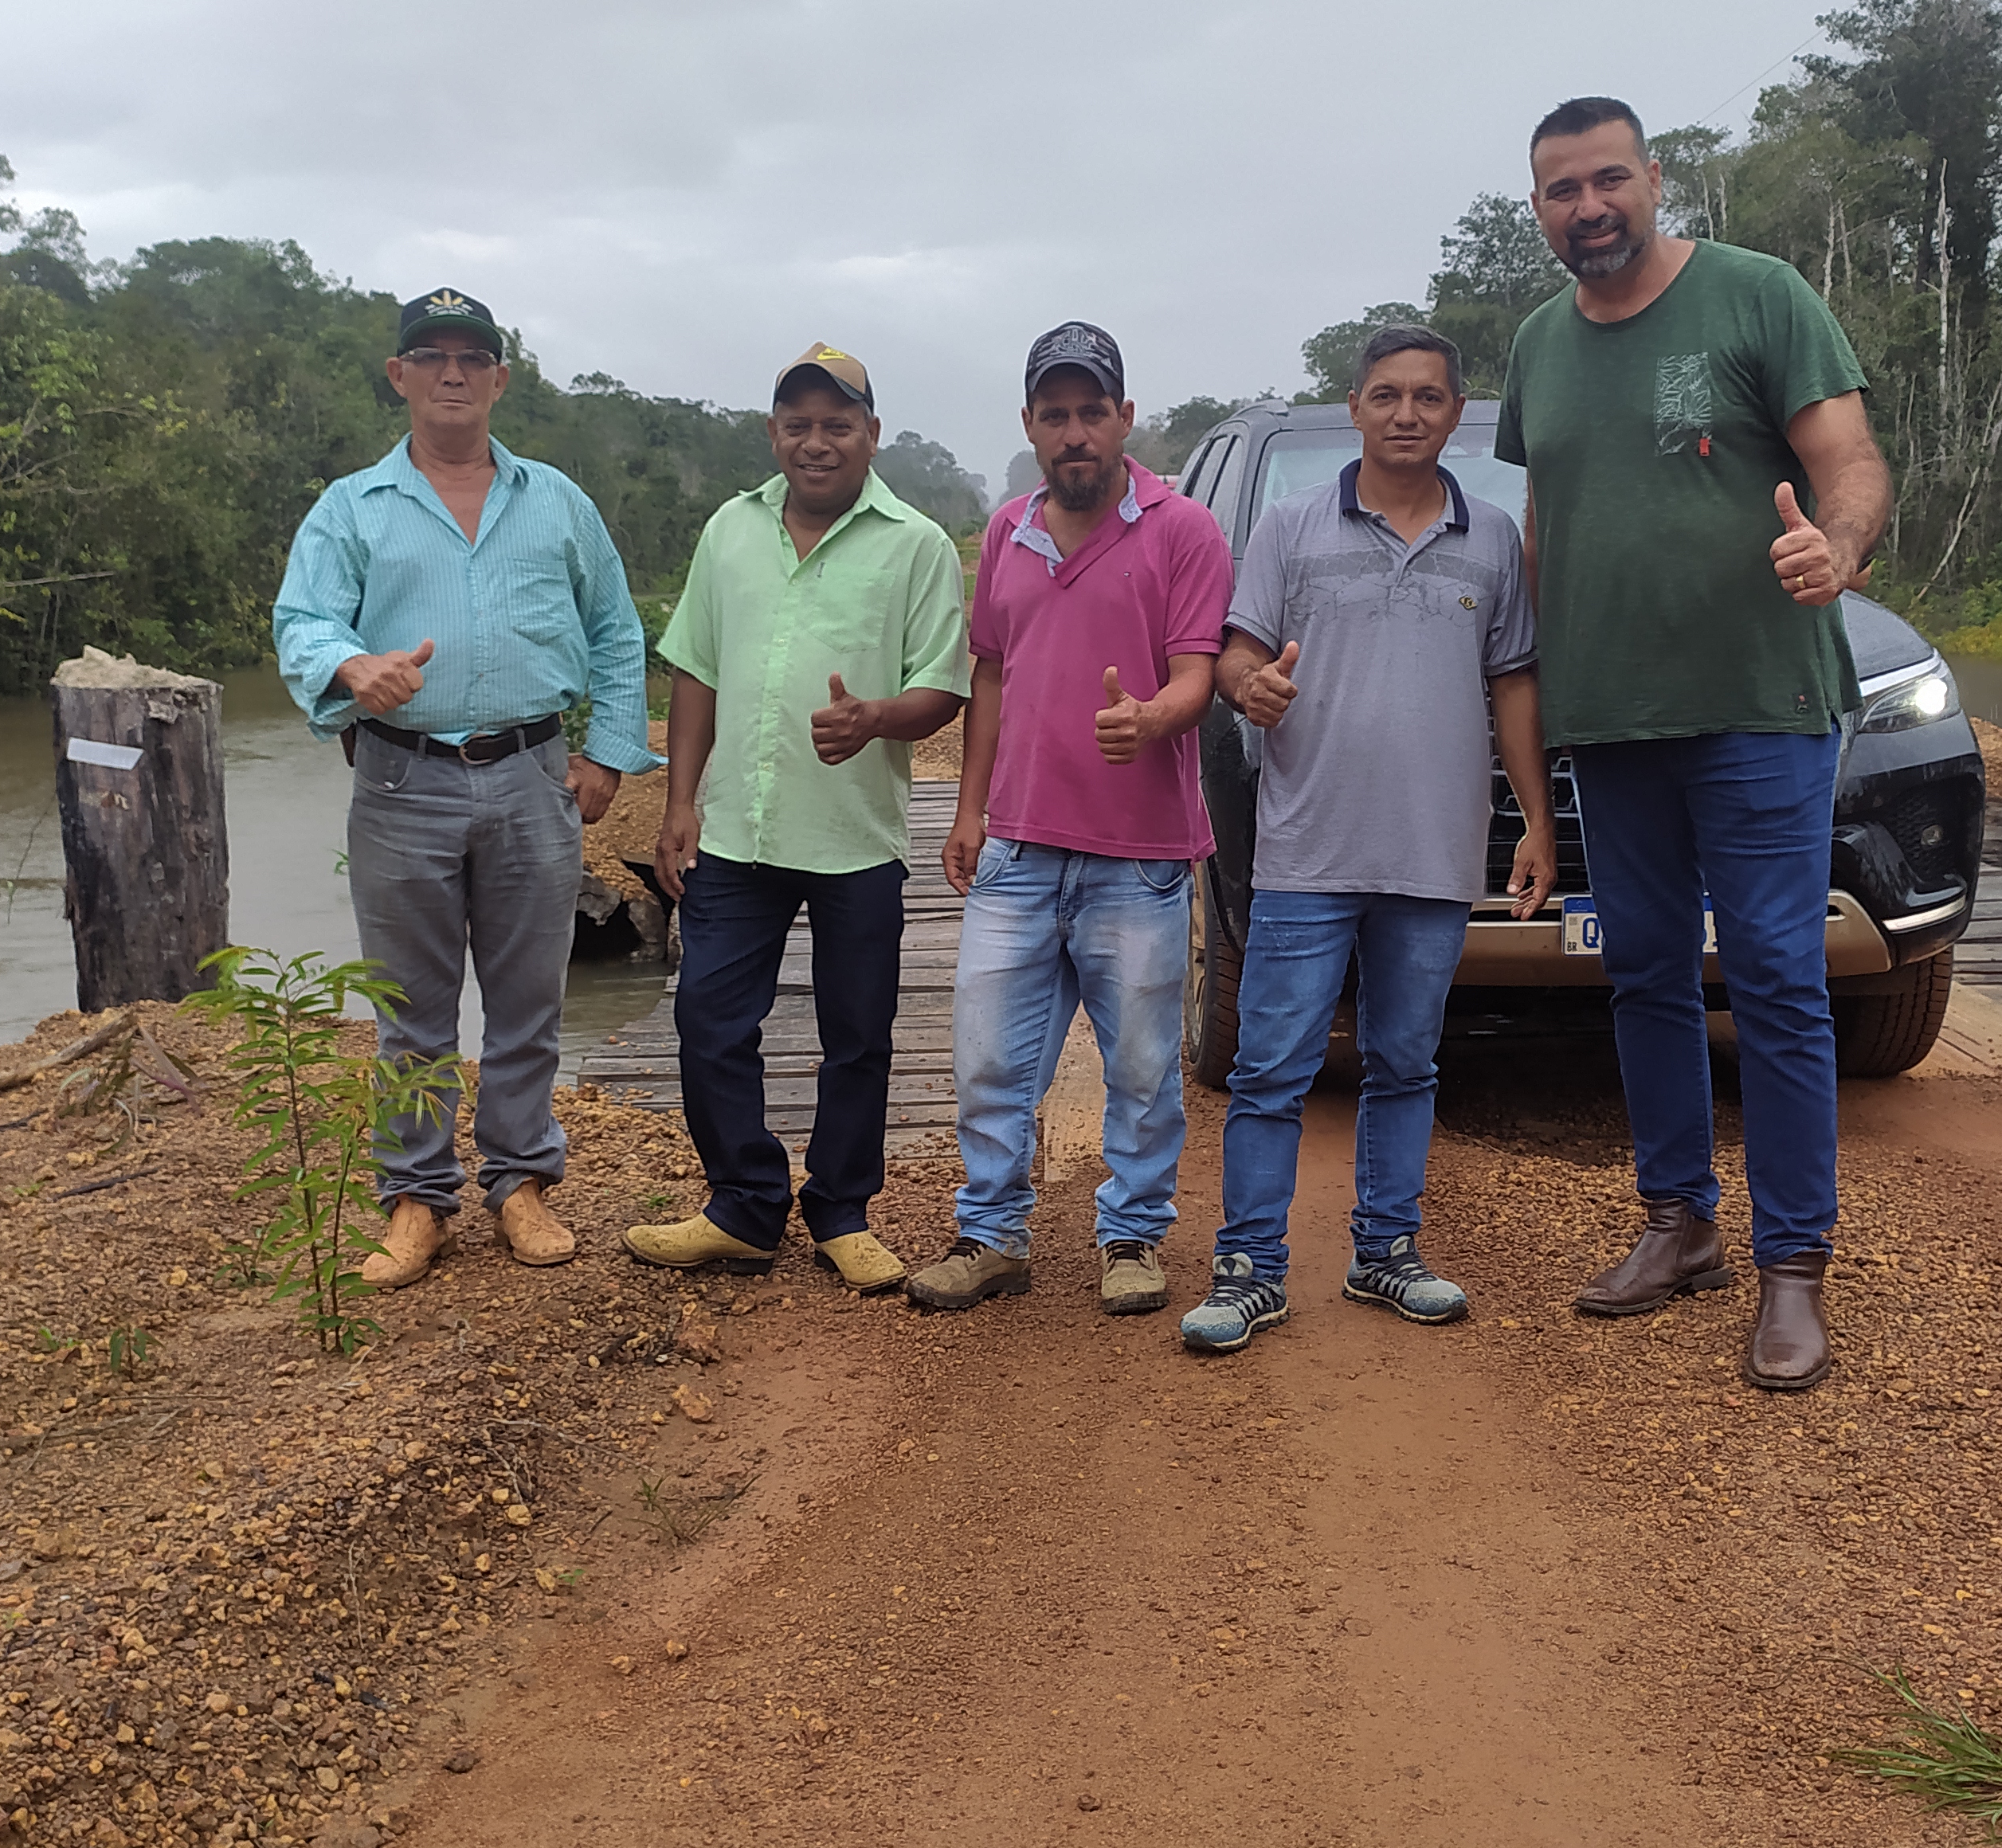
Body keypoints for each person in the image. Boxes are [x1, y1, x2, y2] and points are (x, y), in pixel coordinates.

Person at [1495, 100, 1892, 1393]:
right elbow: (1550, 529)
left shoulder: (1757, 296)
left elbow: (1856, 462)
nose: (1590, 205)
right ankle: (1679, 1225)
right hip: (1611, 722)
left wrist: (1836, 546)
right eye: (1563, 189)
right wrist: (1535, 699)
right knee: (1646, 977)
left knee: (1776, 977)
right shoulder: (1542, 345)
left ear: (1654, 180)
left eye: (1610, 179)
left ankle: (1793, 1268)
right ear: (1540, 206)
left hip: (1758, 706)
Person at [271, 288, 655, 1290]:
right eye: (430, 355)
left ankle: (522, 1182)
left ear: (499, 379)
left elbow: (614, 628)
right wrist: (355, 669)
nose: (452, 372)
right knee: (412, 1008)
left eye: (472, 356)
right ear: (398, 376)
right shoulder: (351, 507)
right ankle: (416, 1198)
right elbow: (301, 621)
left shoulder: (556, 501)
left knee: (530, 997)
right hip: (403, 777)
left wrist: (607, 754)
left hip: (533, 776)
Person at [1184, 326, 1555, 1356]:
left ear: (1454, 412)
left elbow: (1513, 682)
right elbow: (1237, 650)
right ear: (1354, 407)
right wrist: (1245, 683)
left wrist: (1532, 819)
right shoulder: (1292, 531)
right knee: (1271, 1068)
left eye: (1428, 397)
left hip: (1433, 857)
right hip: (1307, 853)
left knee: (1405, 1061)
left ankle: (1387, 1250)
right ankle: (1249, 1267)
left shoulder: (1489, 543)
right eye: (1385, 394)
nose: (1405, 413)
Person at [625, 344, 971, 1294]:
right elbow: (695, 667)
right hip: (736, 830)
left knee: (856, 1032)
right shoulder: (729, 529)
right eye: (798, 424)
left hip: (856, 838)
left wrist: (875, 721)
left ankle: (842, 1211)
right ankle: (741, 1205)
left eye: (837, 424)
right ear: (774, 433)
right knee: (708, 1020)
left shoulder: (918, 544)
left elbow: (942, 688)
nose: (816, 443)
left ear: (871, 434)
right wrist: (679, 802)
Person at [911, 322, 1233, 1315]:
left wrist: (1152, 719)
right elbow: (992, 675)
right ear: (1030, 427)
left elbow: (1198, 677)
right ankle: (992, 1235)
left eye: (1093, 411)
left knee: (1141, 1067)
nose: (1075, 432)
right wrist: (969, 810)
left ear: (1124, 419)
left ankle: (1131, 1239)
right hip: (1015, 851)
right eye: (1055, 415)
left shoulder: (1182, 530)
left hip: (1137, 860)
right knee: (988, 1061)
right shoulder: (1006, 531)